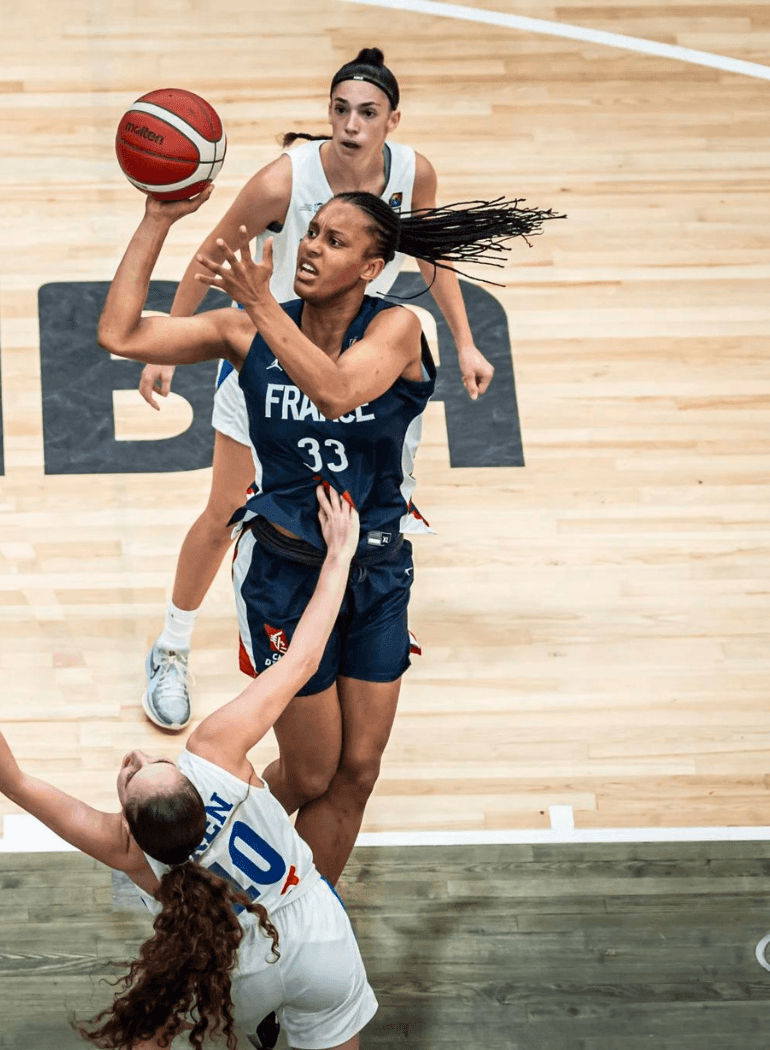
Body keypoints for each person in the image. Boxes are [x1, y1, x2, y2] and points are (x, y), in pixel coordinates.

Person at [97, 181, 557, 886]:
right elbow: (120, 334)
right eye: (311, 232)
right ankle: (196, 863)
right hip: (283, 573)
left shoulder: (397, 329)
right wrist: (156, 218)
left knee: (358, 770)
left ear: (371, 268)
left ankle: (309, 913)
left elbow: (336, 389)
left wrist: (255, 305)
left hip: (373, 569)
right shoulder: (245, 330)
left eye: (334, 240)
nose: (311, 246)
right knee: (311, 771)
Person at [134, 47, 493, 732]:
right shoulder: (284, 180)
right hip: (271, 361)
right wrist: (172, 344)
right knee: (226, 510)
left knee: (362, 515)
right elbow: (210, 254)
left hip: (360, 373)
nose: (351, 125)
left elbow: (430, 255)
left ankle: (347, 640)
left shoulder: (413, 172)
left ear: (392, 119)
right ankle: (172, 648)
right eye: (339, 110)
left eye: (366, 113)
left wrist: (466, 339)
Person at [0, 485, 375, 1050]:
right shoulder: (216, 751)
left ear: (129, 823)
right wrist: (340, 555)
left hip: (236, 972)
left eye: (138, 767)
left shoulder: (125, 849)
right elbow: (302, 658)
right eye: (150, 762)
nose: (136, 755)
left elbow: (11, 780)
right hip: (317, 944)